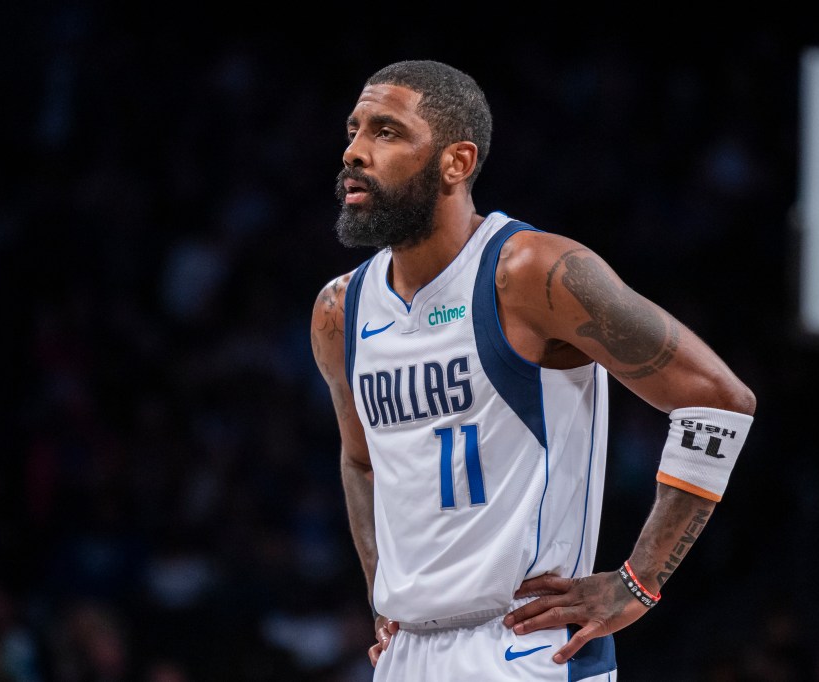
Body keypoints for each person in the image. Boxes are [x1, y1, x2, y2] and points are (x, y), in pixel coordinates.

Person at [309, 59, 756, 681]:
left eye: (385, 132)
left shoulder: (529, 273)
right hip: (407, 652)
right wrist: (380, 591)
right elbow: (359, 461)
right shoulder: (339, 310)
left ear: (456, 162)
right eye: (353, 130)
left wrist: (640, 581)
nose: (354, 151)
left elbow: (718, 399)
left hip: (524, 644)